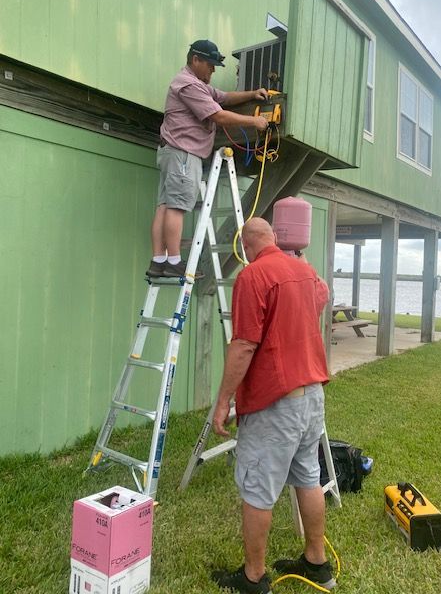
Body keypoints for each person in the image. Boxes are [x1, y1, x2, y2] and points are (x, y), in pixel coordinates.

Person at [211, 218, 335, 594]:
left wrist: (223, 402)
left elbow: (245, 344)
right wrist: (303, 268)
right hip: (312, 395)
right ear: (276, 239)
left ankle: (252, 578)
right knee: (308, 477)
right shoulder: (305, 270)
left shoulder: (252, 276)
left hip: (276, 403)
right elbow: (324, 294)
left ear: (247, 246)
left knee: (257, 490)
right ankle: (317, 562)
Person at [146, 40, 269, 279]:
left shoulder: (197, 84)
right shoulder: (189, 85)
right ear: (195, 60)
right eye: (210, 65)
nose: (213, 70)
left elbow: (223, 97)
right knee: (176, 207)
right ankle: (172, 262)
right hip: (183, 153)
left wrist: (252, 94)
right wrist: (254, 122)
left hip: (174, 152)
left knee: (165, 206)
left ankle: (159, 261)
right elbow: (218, 115)